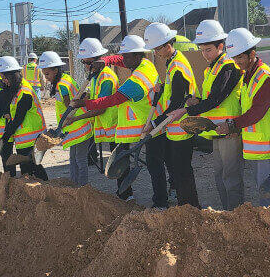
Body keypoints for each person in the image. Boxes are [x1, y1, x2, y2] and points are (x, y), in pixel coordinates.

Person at [70, 35, 160, 203]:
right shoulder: (143, 62)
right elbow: (120, 60)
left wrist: (84, 103)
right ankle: (129, 194)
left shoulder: (137, 78)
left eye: (127, 55)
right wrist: (107, 60)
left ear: (137, 55)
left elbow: (113, 100)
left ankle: (157, 200)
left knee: (153, 163)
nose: (123, 59)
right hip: (133, 122)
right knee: (141, 160)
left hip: (145, 122)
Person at [167, 20, 244, 210]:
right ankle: (227, 213)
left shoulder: (228, 66)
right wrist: (198, 101)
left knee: (230, 177)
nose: (204, 54)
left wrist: (187, 110)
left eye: (208, 49)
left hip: (228, 128)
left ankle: (236, 216)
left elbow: (218, 98)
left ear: (221, 45)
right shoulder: (212, 68)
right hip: (215, 129)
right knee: (219, 174)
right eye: (202, 50)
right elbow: (211, 98)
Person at [215, 28, 270, 206]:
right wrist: (236, 129)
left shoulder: (264, 77)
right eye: (234, 57)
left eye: (240, 57)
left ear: (252, 53)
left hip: (268, 146)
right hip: (258, 145)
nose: (237, 62)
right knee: (264, 192)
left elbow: (256, 112)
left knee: (269, 196)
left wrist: (232, 125)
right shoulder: (248, 75)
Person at [141, 22, 201, 208]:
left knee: (182, 170)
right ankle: (185, 206)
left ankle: (190, 208)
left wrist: (154, 122)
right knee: (177, 168)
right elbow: (172, 91)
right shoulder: (172, 62)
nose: (155, 53)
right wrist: (162, 86)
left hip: (181, 125)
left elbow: (177, 102)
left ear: (167, 45)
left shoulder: (177, 67)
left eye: (157, 49)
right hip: (174, 126)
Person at [64, 38, 119, 188]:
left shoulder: (106, 77)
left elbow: (101, 108)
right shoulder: (96, 76)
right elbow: (95, 99)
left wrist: (76, 118)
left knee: (119, 164)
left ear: (98, 61)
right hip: (105, 125)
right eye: (84, 63)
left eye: (88, 63)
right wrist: (86, 97)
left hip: (113, 125)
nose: (86, 66)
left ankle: (126, 195)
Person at [38, 51, 93, 186]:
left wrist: (62, 124)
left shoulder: (61, 86)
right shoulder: (67, 78)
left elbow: (69, 105)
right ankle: (75, 186)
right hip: (75, 126)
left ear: (55, 70)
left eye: (47, 74)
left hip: (77, 126)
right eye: (44, 75)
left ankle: (83, 188)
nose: (46, 78)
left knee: (79, 159)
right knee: (74, 158)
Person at [0, 56, 48, 180]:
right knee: (29, 167)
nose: (3, 80)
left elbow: (19, 117)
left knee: (30, 168)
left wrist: (6, 134)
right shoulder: (17, 88)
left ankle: (42, 189)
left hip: (30, 134)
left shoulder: (25, 92)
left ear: (12, 75)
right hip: (23, 134)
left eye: (4, 77)